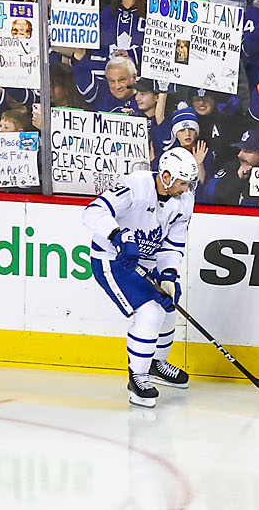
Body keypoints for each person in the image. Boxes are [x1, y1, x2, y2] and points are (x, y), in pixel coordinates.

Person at [80, 147, 197, 406]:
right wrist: (117, 235)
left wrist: (169, 274)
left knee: (169, 310)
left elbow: (173, 243)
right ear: (165, 176)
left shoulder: (184, 201)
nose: (186, 189)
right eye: (182, 183)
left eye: (189, 183)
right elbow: (93, 212)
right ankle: (138, 377)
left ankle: (156, 364)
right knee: (150, 314)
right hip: (113, 260)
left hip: (147, 262)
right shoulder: (136, 185)